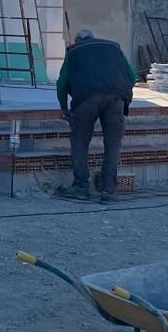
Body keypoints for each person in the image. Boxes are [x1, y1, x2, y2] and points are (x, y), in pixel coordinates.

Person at [54, 29, 137, 203]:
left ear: (78, 40)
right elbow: (132, 77)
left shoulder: (74, 51)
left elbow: (61, 83)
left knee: (80, 140)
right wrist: (122, 93)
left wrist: (63, 108)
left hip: (86, 98)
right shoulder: (113, 47)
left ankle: (81, 187)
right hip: (116, 98)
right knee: (113, 144)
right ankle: (108, 191)